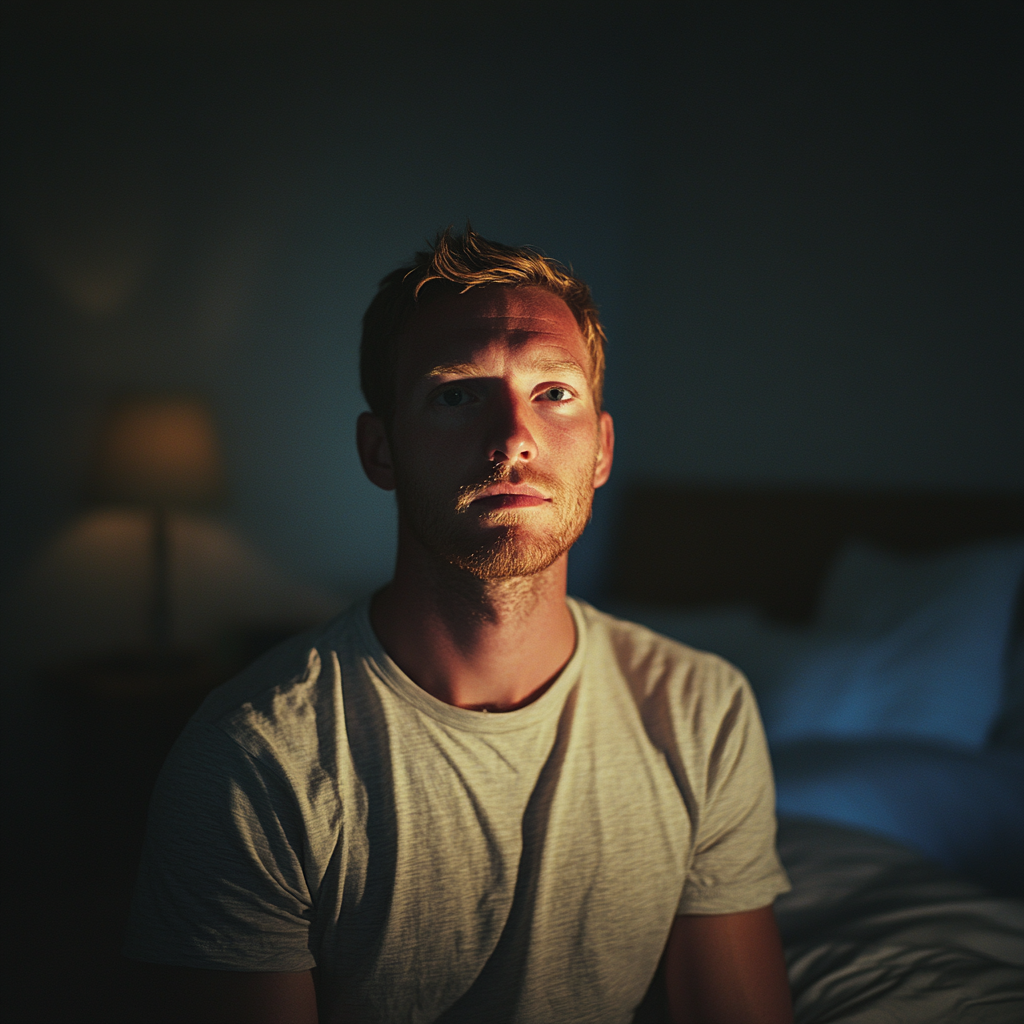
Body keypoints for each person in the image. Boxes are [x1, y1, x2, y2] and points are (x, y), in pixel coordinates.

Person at [124, 228, 793, 1024]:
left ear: (603, 448)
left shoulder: (701, 711)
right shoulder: (255, 758)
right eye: (456, 394)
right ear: (381, 451)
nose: (513, 437)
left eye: (555, 393)